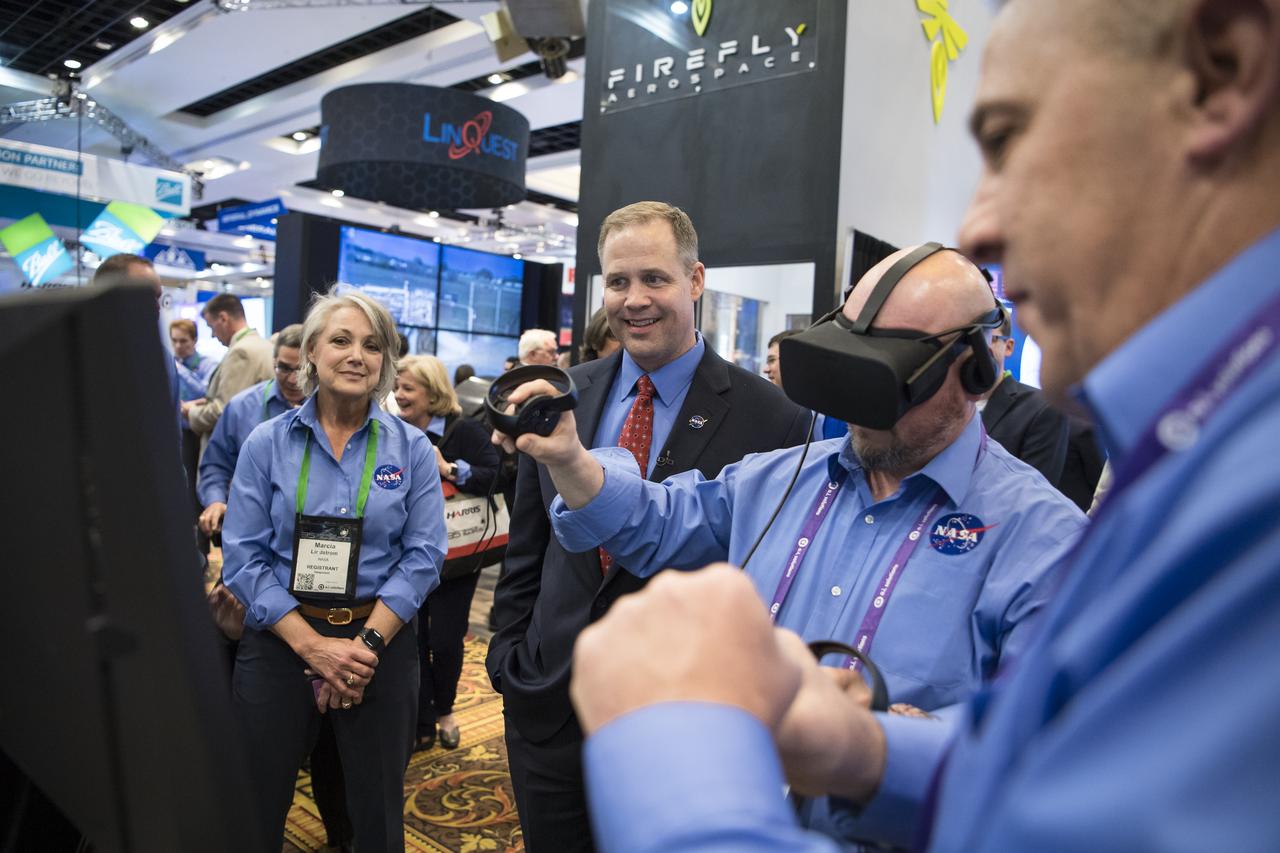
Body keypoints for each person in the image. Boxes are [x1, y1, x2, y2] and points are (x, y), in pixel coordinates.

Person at [568, 0, 1280, 849]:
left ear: (976, 369)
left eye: (1008, 139)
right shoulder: (785, 477)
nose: (979, 224)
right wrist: (864, 747)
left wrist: (666, 749)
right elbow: (1034, 772)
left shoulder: (1079, 531)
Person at [502, 242, 1085, 838]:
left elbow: (1055, 750)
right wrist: (570, 459)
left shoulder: (1045, 542)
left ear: (976, 370)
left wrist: (887, 742)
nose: (860, 408)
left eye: (885, 380)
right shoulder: (780, 479)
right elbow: (656, 519)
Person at [486, 201, 811, 852]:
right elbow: (528, 546)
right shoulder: (563, 395)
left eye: (654, 278)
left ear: (695, 280)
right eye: (617, 281)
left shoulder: (773, 417)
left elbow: (769, 577)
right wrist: (509, 656)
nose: (634, 300)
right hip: (549, 704)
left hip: (686, 724)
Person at [221, 290, 446, 852]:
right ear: (311, 354)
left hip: (380, 645)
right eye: (341, 340)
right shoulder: (266, 443)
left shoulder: (413, 449)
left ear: (385, 361)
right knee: (253, 804)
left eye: (372, 345)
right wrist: (313, 647)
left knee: (377, 815)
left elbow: (423, 557)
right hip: (279, 643)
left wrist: (364, 646)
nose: (356, 356)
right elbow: (244, 556)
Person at [394, 354, 500, 752]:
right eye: (397, 387)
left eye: (408, 388)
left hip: (457, 558)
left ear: (433, 392)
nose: (398, 395)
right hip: (408, 554)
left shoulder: (465, 430)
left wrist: (449, 468)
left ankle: (445, 711)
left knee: (445, 640)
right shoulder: (394, 431)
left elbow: (496, 475)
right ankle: (421, 719)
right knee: (411, 638)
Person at [197, 324, 306, 539]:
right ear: (273, 362)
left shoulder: (329, 411)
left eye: (301, 370)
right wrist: (215, 501)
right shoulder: (241, 407)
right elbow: (216, 465)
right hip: (250, 529)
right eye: (284, 368)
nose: (293, 380)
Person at [978, 312, 1070, 483]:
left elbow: (1035, 488)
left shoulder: (1042, 409)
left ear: (1009, 347)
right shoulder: (946, 402)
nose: (979, 348)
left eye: (991, 338)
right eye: (971, 339)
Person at [185, 293, 273, 454]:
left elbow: (224, 411)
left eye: (211, 327)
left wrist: (190, 411)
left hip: (231, 455)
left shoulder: (241, 351)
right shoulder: (262, 345)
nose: (212, 335)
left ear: (223, 318)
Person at [765, 328, 847, 440]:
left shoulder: (841, 417)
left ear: (796, 361)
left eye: (772, 360)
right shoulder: (781, 411)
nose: (766, 369)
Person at [170, 319, 218, 403]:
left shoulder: (209, 364)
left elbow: (206, 394)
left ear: (195, 340)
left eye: (183, 341)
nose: (178, 346)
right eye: (174, 340)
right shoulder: (169, 364)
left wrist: (180, 369)